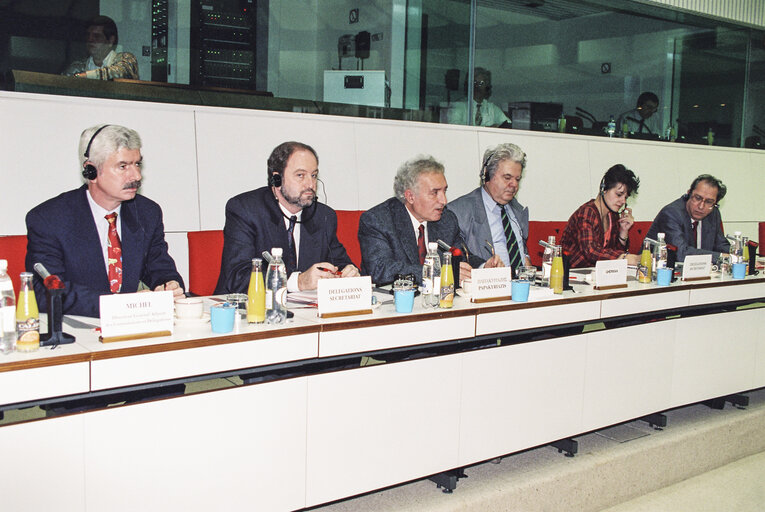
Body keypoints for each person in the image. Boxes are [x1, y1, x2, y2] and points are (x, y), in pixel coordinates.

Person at [25, 124, 184, 318]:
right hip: (77, 331)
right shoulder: (49, 218)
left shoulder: (147, 213)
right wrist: (120, 305)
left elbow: (159, 267)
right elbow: (47, 293)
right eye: (123, 166)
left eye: (137, 164)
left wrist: (168, 285)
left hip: (136, 329)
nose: (136, 176)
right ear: (90, 172)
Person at [215, 141, 358, 294]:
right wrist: (297, 282)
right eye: (300, 175)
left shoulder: (323, 216)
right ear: (277, 179)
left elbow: (340, 263)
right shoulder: (245, 209)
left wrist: (348, 273)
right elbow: (239, 278)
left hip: (305, 313)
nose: (310, 184)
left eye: (314, 175)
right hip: (245, 311)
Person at [358, 155, 485, 286]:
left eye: (444, 191)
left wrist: (484, 267)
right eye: (434, 193)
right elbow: (381, 270)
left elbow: (462, 257)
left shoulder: (447, 219)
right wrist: (438, 273)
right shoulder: (378, 220)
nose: (444, 201)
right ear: (410, 196)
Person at [449, 143, 528, 274]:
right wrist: (483, 268)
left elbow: (522, 248)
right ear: (487, 176)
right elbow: (458, 258)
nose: (514, 184)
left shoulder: (517, 210)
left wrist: (526, 258)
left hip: (522, 285)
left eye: (517, 179)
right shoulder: (458, 212)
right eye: (507, 177)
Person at [561, 164, 642, 268]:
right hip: (572, 274)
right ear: (603, 189)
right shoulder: (587, 213)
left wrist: (623, 231)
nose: (623, 201)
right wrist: (629, 258)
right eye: (619, 194)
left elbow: (615, 254)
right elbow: (591, 252)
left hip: (596, 275)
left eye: (625, 197)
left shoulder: (613, 215)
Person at [645, 174, 730, 262]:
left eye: (709, 202)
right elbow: (681, 254)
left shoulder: (713, 213)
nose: (701, 206)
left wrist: (738, 254)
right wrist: (721, 257)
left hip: (699, 271)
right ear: (689, 193)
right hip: (659, 270)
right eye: (697, 198)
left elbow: (721, 244)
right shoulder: (671, 213)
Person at [64, 15, 139, 80]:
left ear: (110, 41)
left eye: (97, 36)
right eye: (88, 35)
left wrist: (86, 76)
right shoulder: (77, 67)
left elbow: (119, 73)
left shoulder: (127, 59)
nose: (90, 39)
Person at [446, 68, 511, 127]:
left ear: (487, 86)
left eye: (481, 83)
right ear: (468, 85)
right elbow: (454, 126)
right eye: (474, 82)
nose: (477, 86)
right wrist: (487, 129)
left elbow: (508, 124)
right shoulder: (459, 106)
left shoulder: (492, 109)